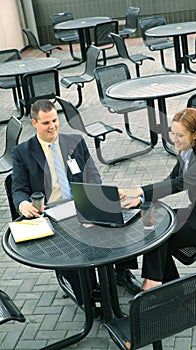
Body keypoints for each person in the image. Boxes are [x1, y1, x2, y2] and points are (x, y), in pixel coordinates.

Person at [11, 99, 142, 306]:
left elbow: (93, 175)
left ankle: (121, 272)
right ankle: (88, 294)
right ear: (34, 124)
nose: (52, 126)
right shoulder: (22, 152)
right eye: (46, 123)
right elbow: (18, 189)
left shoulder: (75, 141)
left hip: (81, 204)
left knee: (118, 223)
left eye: (54, 120)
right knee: (73, 256)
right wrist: (22, 204)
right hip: (51, 213)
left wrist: (97, 197)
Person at [120, 107, 196, 290]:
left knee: (160, 235)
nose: (174, 140)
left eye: (180, 135)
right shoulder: (185, 154)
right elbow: (170, 181)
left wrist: (139, 191)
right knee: (155, 227)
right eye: (173, 134)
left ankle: (154, 285)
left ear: (195, 135)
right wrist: (142, 201)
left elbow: (178, 184)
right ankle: (169, 286)